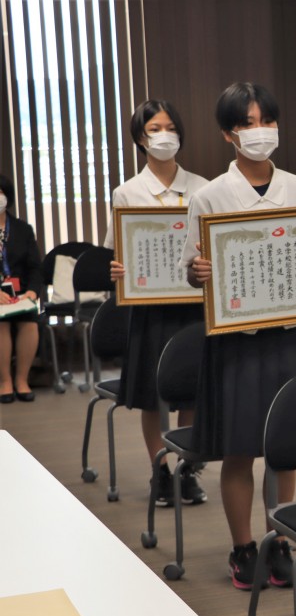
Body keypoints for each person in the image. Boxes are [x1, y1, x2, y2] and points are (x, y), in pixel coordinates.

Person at [181, 82, 296, 591]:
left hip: (293, 335)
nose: (259, 130)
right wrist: (197, 273)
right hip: (239, 339)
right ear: (228, 133)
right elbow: (192, 268)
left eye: (266, 119)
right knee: (240, 449)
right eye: (246, 122)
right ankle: (244, 547)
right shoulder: (208, 196)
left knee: (284, 445)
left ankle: (279, 539)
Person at [107, 100, 209, 507]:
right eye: (154, 128)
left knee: (190, 390)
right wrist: (117, 270)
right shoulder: (126, 192)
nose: (164, 134)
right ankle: (159, 472)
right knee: (153, 394)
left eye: (170, 127)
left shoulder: (204, 187)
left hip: (193, 305)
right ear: (139, 138)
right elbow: (118, 251)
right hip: (149, 308)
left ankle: (185, 469)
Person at [0, 174, 43, 403]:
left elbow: (35, 267)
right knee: (1, 323)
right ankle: (4, 381)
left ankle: (22, 379)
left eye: (1, 192)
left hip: (21, 293)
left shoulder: (23, 229)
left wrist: (32, 292)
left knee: (29, 319)